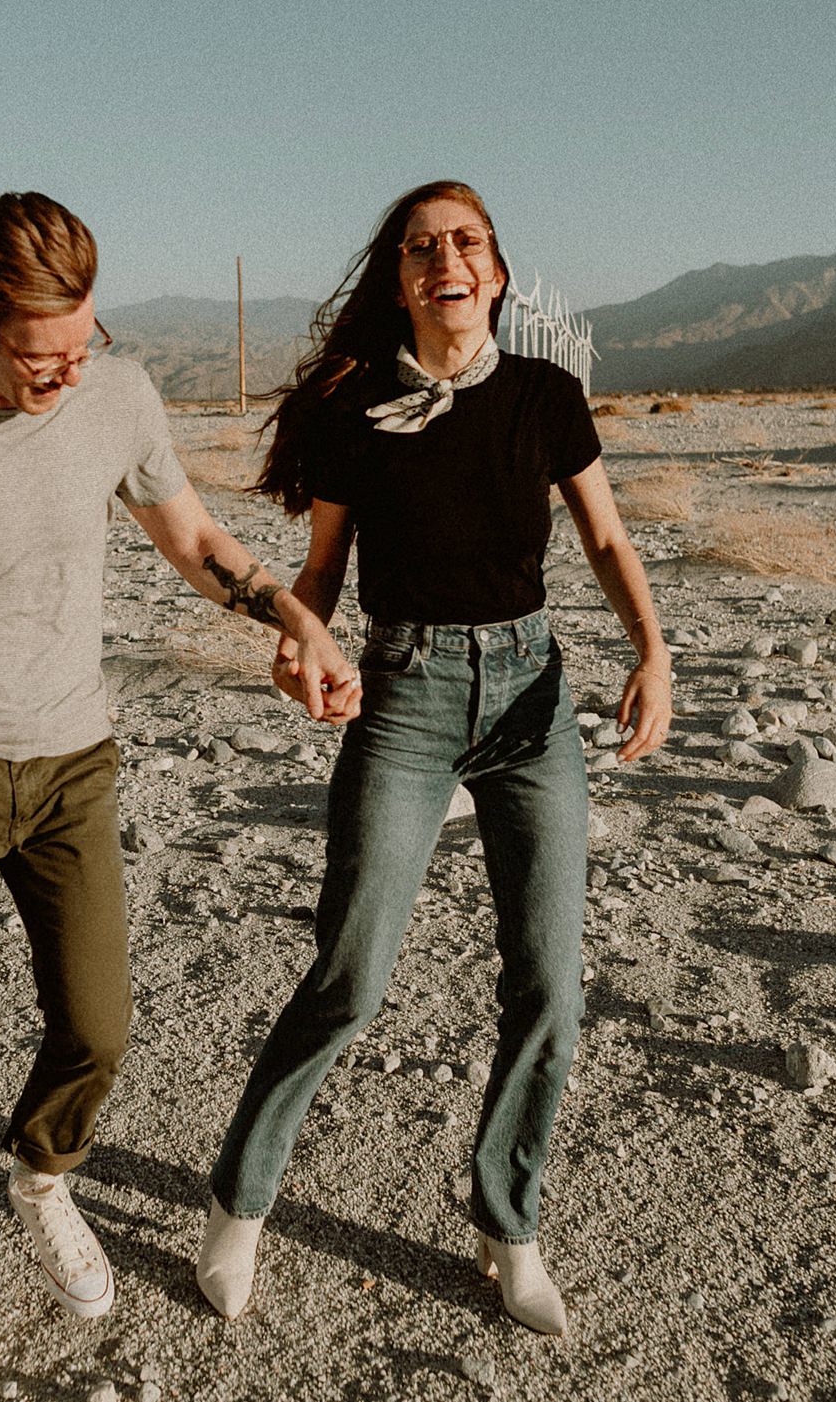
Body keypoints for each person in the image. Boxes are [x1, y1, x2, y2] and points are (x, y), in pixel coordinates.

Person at [0, 191, 360, 1400]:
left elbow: (192, 539)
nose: (66, 375)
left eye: (82, 345)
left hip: (72, 763)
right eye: (42, 359)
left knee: (99, 1021)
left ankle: (43, 1173)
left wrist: (290, 615)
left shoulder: (114, 393)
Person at [195, 179, 672, 1336]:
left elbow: (603, 534)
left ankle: (508, 1228)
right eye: (420, 247)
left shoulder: (547, 395)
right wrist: (294, 643)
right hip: (403, 695)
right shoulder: (354, 409)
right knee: (350, 976)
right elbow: (321, 567)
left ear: (497, 274)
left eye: (465, 242)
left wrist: (653, 653)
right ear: (398, 279)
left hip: (531, 699)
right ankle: (240, 1207)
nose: (443, 259)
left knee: (549, 984)